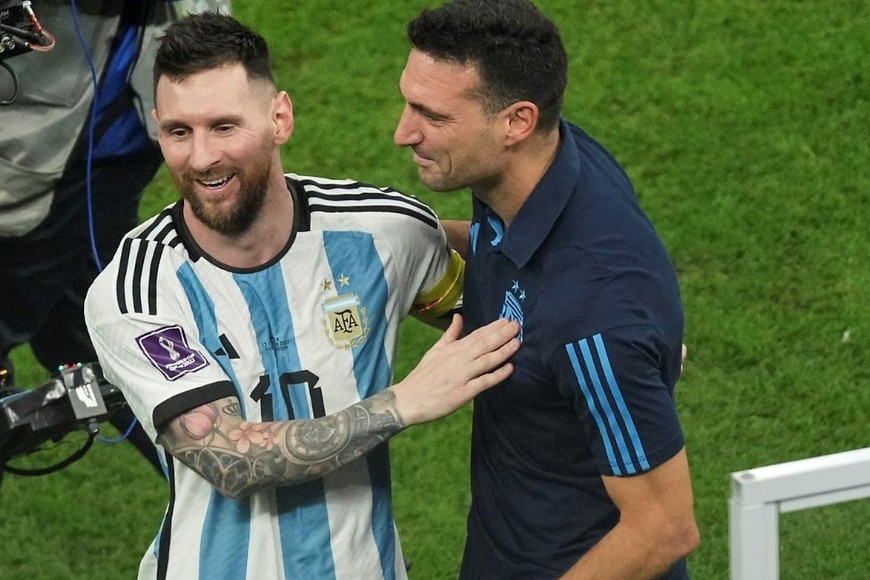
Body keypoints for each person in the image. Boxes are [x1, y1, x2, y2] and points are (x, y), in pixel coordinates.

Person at [83, 11, 519, 580]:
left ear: (279, 118)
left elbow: (506, 311)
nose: (202, 157)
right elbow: (231, 458)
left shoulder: (384, 234)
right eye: (179, 132)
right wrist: (403, 403)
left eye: (224, 127)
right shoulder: (137, 289)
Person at [393, 0, 700, 578]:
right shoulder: (539, 167)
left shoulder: (594, 315)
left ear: (517, 122)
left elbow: (664, 529)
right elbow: (492, 249)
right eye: (409, 103)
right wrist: (381, 241)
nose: (403, 133)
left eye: (431, 115)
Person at [0, 0, 229, 474]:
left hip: (124, 138)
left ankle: (244, 495)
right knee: (107, 332)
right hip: (28, 160)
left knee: (120, 333)